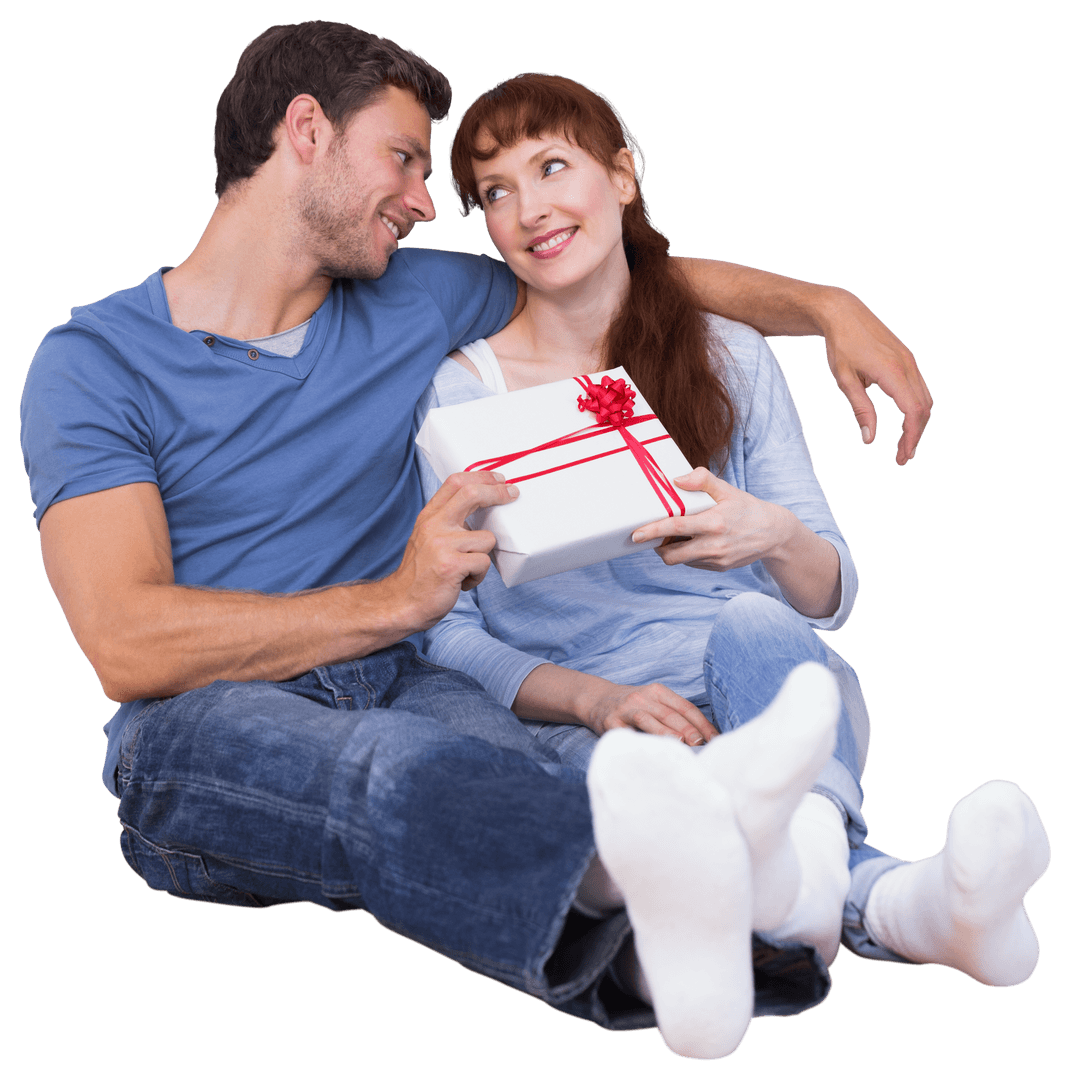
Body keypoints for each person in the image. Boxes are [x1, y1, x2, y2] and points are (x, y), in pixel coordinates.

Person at [19, 20, 951, 1062]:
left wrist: (827, 307)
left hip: (416, 681)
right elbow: (124, 641)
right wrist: (394, 602)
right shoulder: (94, 362)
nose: (427, 201)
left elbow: (611, 269)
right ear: (307, 131)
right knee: (388, 762)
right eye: (406, 158)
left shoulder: (411, 296)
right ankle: (665, 874)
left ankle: (721, 927)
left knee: (551, 769)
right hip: (208, 723)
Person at [414, 71, 1051, 1053]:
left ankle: (791, 872)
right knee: (649, 791)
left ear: (623, 176)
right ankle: (897, 901)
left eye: (552, 167)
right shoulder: (464, 395)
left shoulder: (729, 354)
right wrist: (589, 698)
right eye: (496, 191)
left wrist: (773, 534)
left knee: (760, 622)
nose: (528, 209)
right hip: (605, 723)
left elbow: (829, 590)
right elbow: (445, 629)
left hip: (759, 681)